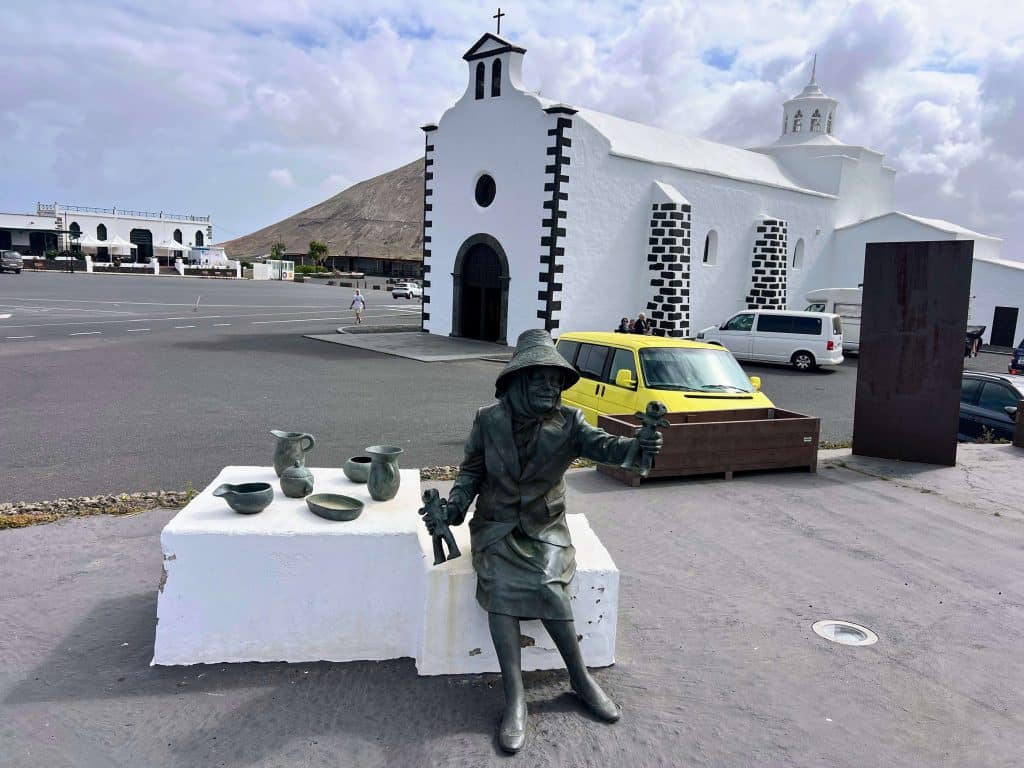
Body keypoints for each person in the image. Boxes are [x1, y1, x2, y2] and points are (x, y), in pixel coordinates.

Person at [421, 329, 662, 753]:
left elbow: (606, 447)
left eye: (556, 381)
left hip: (544, 527)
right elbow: (472, 471)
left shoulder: (570, 422)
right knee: (498, 590)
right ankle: (515, 697)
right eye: (541, 379)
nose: (551, 388)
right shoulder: (488, 420)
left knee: (549, 586)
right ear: (517, 381)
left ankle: (580, 679)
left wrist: (639, 445)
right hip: (496, 524)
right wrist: (455, 507)